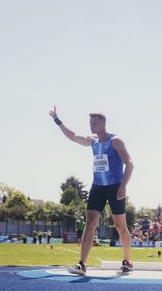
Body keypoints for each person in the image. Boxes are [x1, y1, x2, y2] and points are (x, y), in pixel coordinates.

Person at [49, 107, 134, 275]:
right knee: (90, 224)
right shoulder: (93, 141)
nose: (91, 125)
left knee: (120, 226)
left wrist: (123, 186)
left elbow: (130, 163)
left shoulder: (115, 141)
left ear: (103, 124)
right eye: (90, 122)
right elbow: (73, 136)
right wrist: (58, 121)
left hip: (115, 187)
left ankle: (127, 261)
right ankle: (82, 264)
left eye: (94, 123)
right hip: (97, 187)